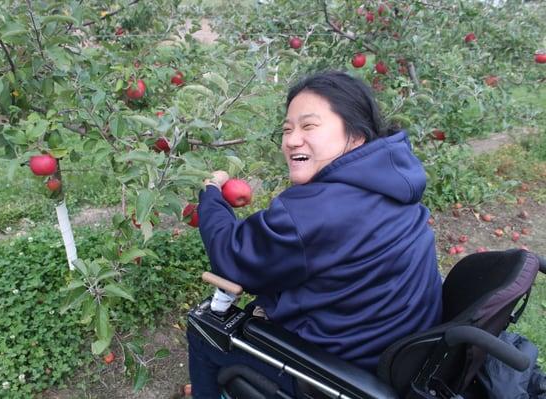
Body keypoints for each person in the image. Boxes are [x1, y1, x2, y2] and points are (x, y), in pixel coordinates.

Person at [187, 70, 443, 398]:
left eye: (309, 126)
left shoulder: (312, 211)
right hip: (395, 358)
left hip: (334, 373)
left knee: (204, 328)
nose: (292, 140)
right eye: (287, 129)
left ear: (356, 134)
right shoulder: (394, 182)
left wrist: (211, 196)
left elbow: (232, 258)